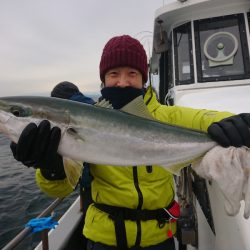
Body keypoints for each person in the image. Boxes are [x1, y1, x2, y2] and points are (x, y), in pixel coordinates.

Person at [10, 35, 250, 250]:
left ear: (143, 79)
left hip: (159, 237)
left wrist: (239, 123)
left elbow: (207, 119)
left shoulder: (168, 117)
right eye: (114, 74)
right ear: (103, 79)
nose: (123, 82)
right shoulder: (79, 122)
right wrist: (51, 168)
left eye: (132, 74)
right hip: (103, 240)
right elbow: (61, 189)